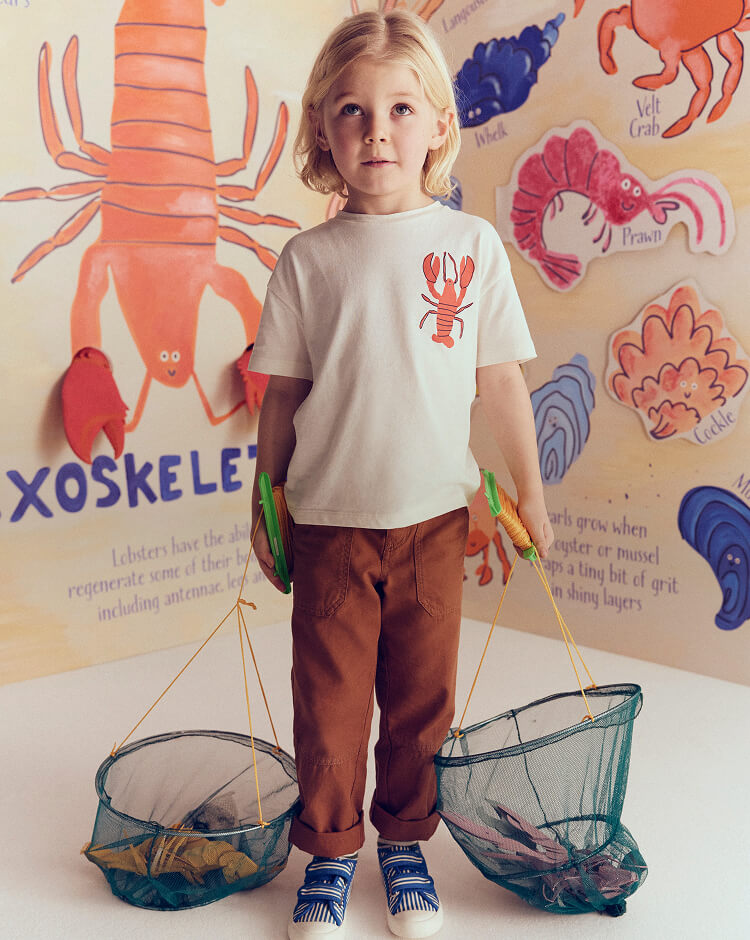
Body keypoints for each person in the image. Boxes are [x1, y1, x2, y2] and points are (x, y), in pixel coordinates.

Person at [249, 10, 554, 938]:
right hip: (330, 524)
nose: (376, 129)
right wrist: (267, 504)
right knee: (330, 707)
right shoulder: (307, 262)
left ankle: (405, 842)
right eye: (350, 109)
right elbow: (281, 397)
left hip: (434, 522)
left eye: (399, 107)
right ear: (322, 132)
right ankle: (332, 853)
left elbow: (499, 382)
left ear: (436, 127)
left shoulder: (470, 250)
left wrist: (529, 492)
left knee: (421, 704)